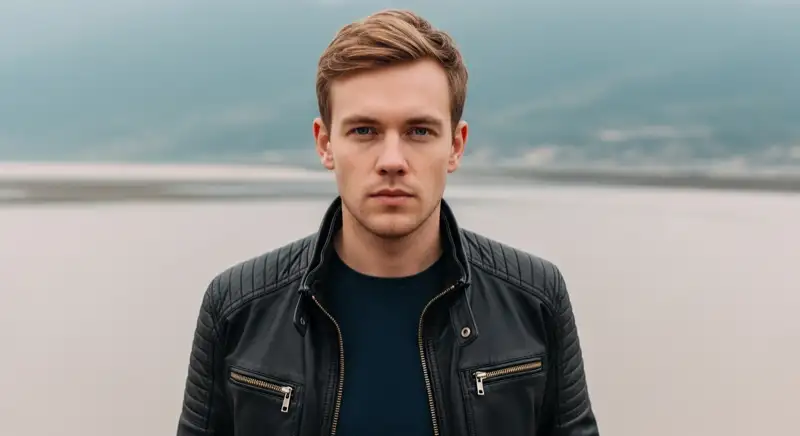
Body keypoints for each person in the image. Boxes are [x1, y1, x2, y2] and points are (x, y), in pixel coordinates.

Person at [176, 8, 599, 436]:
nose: (392, 161)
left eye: (419, 131)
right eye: (364, 131)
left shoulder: (534, 299)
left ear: (455, 146)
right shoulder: (237, 308)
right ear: (325, 144)